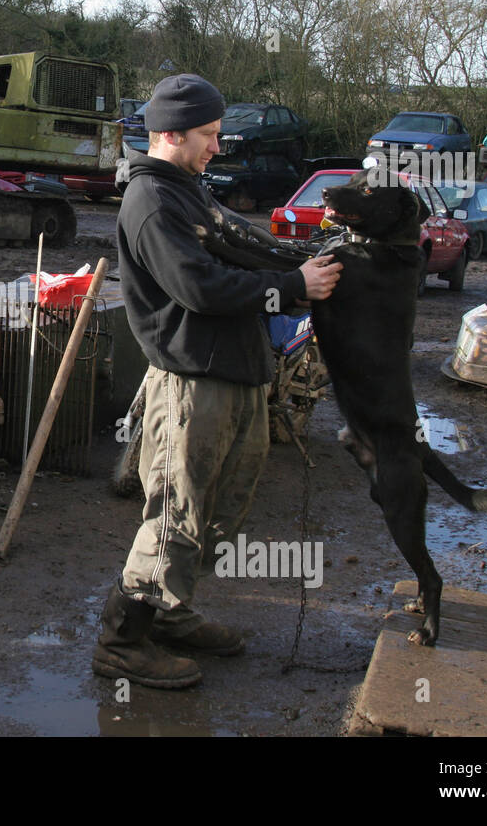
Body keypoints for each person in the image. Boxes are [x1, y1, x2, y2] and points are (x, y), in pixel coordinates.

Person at [93, 73, 341, 689]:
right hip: (191, 380)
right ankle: (123, 640)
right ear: (169, 133)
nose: (217, 146)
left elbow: (241, 242)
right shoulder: (151, 201)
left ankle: (168, 612)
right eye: (208, 134)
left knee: (218, 507)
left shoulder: (190, 191)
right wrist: (293, 289)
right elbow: (197, 288)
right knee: (178, 509)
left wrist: (317, 259)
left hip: (235, 374)